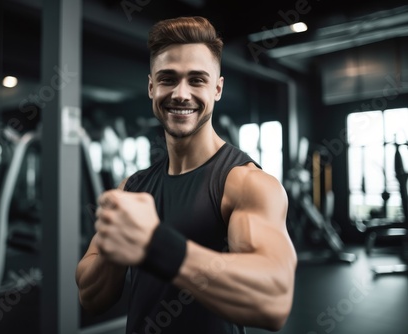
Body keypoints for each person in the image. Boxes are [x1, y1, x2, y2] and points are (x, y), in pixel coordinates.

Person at [75, 16, 297, 334]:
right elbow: (90, 297)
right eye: (168, 79)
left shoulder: (245, 184)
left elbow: (274, 300)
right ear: (151, 87)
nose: (181, 93)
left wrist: (156, 244)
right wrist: (113, 247)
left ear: (217, 89)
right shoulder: (133, 187)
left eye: (197, 80)